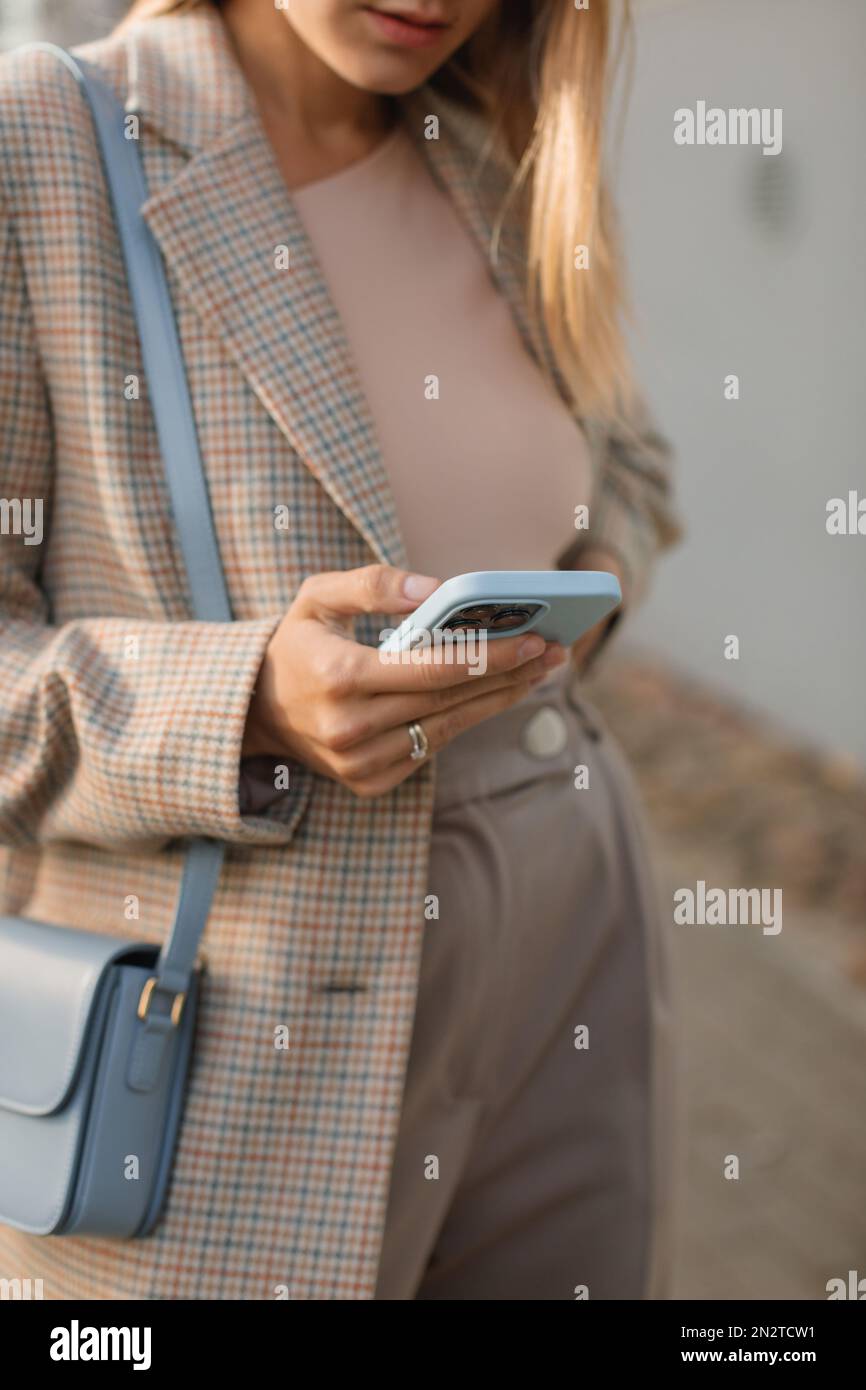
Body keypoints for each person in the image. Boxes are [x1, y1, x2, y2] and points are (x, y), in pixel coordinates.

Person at [0, 0, 681, 1299]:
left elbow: (629, 468)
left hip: (571, 937)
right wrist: (245, 700)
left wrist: (556, 620)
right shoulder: (43, 144)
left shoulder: (489, 153)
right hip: (241, 1035)